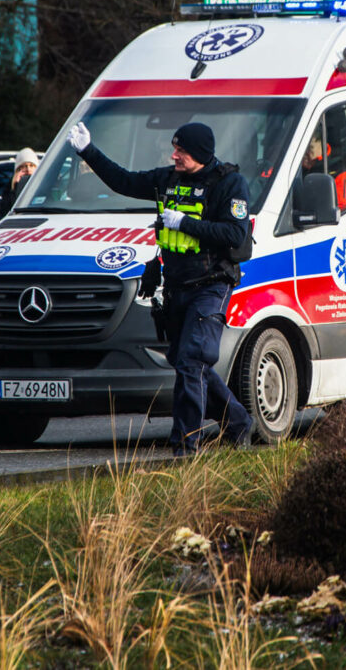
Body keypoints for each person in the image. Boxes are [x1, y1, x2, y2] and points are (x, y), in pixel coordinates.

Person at [68, 120, 253, 456]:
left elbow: (235, 235)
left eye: (180, 150)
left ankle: (185, 448)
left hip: (212, 284)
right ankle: (238, 422)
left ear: (199, 152)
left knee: (192, 360)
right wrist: (88, 151)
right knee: (186, 360)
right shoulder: (168, 180)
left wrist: (186, 223)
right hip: (177, 286)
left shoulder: (229, 183)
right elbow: (124, 180)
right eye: (175, 148)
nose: (174, 155)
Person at [0, 147, 38, 217]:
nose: (28, 169)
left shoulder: (43, 185)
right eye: (23, 166)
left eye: (31, 165)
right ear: (17, 170)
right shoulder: (9, 188)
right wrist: (15, 187)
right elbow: (6, 212)